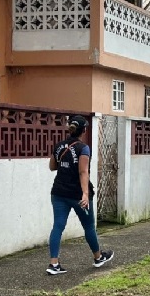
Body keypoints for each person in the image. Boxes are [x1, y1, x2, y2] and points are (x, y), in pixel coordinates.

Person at [46, 115, 114, 275]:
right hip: (77, 195)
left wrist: (65, 163)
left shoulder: (59, 146)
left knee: (58, 226)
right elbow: (83, 171)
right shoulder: (83, 148)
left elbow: (52, 166)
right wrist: (85, 194)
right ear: (84, 130)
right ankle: (98, 258)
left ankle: (53, 264)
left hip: (59, 193)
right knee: (89, 226)